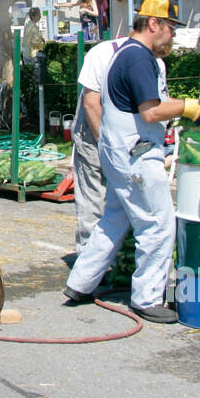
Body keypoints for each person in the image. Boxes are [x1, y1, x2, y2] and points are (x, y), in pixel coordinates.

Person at [63, 0, 200, 324]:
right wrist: (189, 106)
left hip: (118, 152)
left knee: (114, 220)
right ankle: (147, 298)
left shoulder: (125, 55)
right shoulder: (139, 59)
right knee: (158, 225)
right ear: (153, 24)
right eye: (170, 28)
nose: (173, 36)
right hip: (136, 155)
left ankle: (80, 282)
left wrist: (180, 107)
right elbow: (151, 111)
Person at [71, 34, 129, 251]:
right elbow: (91, 103)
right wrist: (105, 146)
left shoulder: (156, 62)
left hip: (124, 139)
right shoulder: (102, 54)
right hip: (92, 134)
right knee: (93, 199)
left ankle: (119, 253)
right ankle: (89, 258)